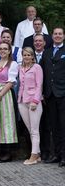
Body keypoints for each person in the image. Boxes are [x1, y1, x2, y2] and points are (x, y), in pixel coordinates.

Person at [0, 42, 19, 162]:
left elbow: (11, 81)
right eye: (0, 49)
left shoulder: (13, 64)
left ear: (9, 51)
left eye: (5, 49)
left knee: (6, 121)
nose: (2, 51)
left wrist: (0, 94)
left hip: (5, 94)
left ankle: (7, 152)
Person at [40, 27, 65, 167]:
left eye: (60, 34)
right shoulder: (47, 52)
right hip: (49, 94)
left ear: (63, 36)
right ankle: (56, 154)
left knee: (63, 125)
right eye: (55, 34)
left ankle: (64, 155)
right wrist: (42, 92)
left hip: (63, 94)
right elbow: (42, 73)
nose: (57, 36)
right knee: (53, 126)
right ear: (52, 36)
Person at [18, 47, 43, 165]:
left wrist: (35, 101)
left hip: (33, 102)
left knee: (34, 130)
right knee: (30, 129)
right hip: (22, 101)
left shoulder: (37, 68)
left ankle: (33, 156)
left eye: (29, 55)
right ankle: (37, 154)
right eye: (25, 55)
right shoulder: (21, 68)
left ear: (33, 56)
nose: (26, 57)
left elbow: (39, 85)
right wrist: (19, 100)